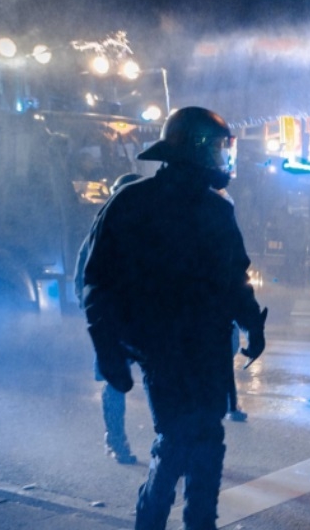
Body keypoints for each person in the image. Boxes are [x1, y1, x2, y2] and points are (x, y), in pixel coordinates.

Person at [81, 107, 267, 530]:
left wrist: (251, 322)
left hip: (205, 347)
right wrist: (109, 351)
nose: (223, 158)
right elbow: (99, 283)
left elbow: (234, 278)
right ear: (195, 149)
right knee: (179, 438)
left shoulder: (216, 209)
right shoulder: (132, 202)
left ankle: (199, 523)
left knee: (207, 438)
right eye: (217, 148)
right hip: (161, 347)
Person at [74, 172, 142, 465]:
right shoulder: (100, 232)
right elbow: (84, 280)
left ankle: (124, 442)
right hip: (115, 320)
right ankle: (116, 440)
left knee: (126, 382)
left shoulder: (145, 229)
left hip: (136, 319)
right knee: (115, 382)